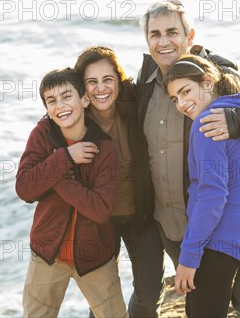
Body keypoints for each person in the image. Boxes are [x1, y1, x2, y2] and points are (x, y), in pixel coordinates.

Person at [136, 0, 240, 317]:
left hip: (217, 220)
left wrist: (236, 121)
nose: (163, 42)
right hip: (167, 221)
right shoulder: (146, 81)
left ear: (189, 36)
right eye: (155, 34)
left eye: (172, 32)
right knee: (152, 297)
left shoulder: (219, 76)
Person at [163, 55, 240, 317]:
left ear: (208, 82)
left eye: (186, 91)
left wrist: (188, 257)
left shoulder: (206, 123)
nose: (182, 103)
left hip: (216, 240)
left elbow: (212, 195)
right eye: (175, 98)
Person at [15, 67, 127, 318]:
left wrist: (56, 176)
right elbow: (24, 188)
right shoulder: (41, 135)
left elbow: (100, 210)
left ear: (84, 100)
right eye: (51, 101)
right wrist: (65, 158)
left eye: (67, 96)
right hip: (47, 253)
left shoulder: (104, 148)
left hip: (95, 255)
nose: (60, 106)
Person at [75, 46, 165, 318]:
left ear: (118, 79)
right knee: (103, 303)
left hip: (142, 215)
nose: (100, 88)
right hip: (98, 221)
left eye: (107, 79)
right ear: (82, 88)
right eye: (92, 82)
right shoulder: (73, 119)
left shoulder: (135, 104)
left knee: (149, 297)